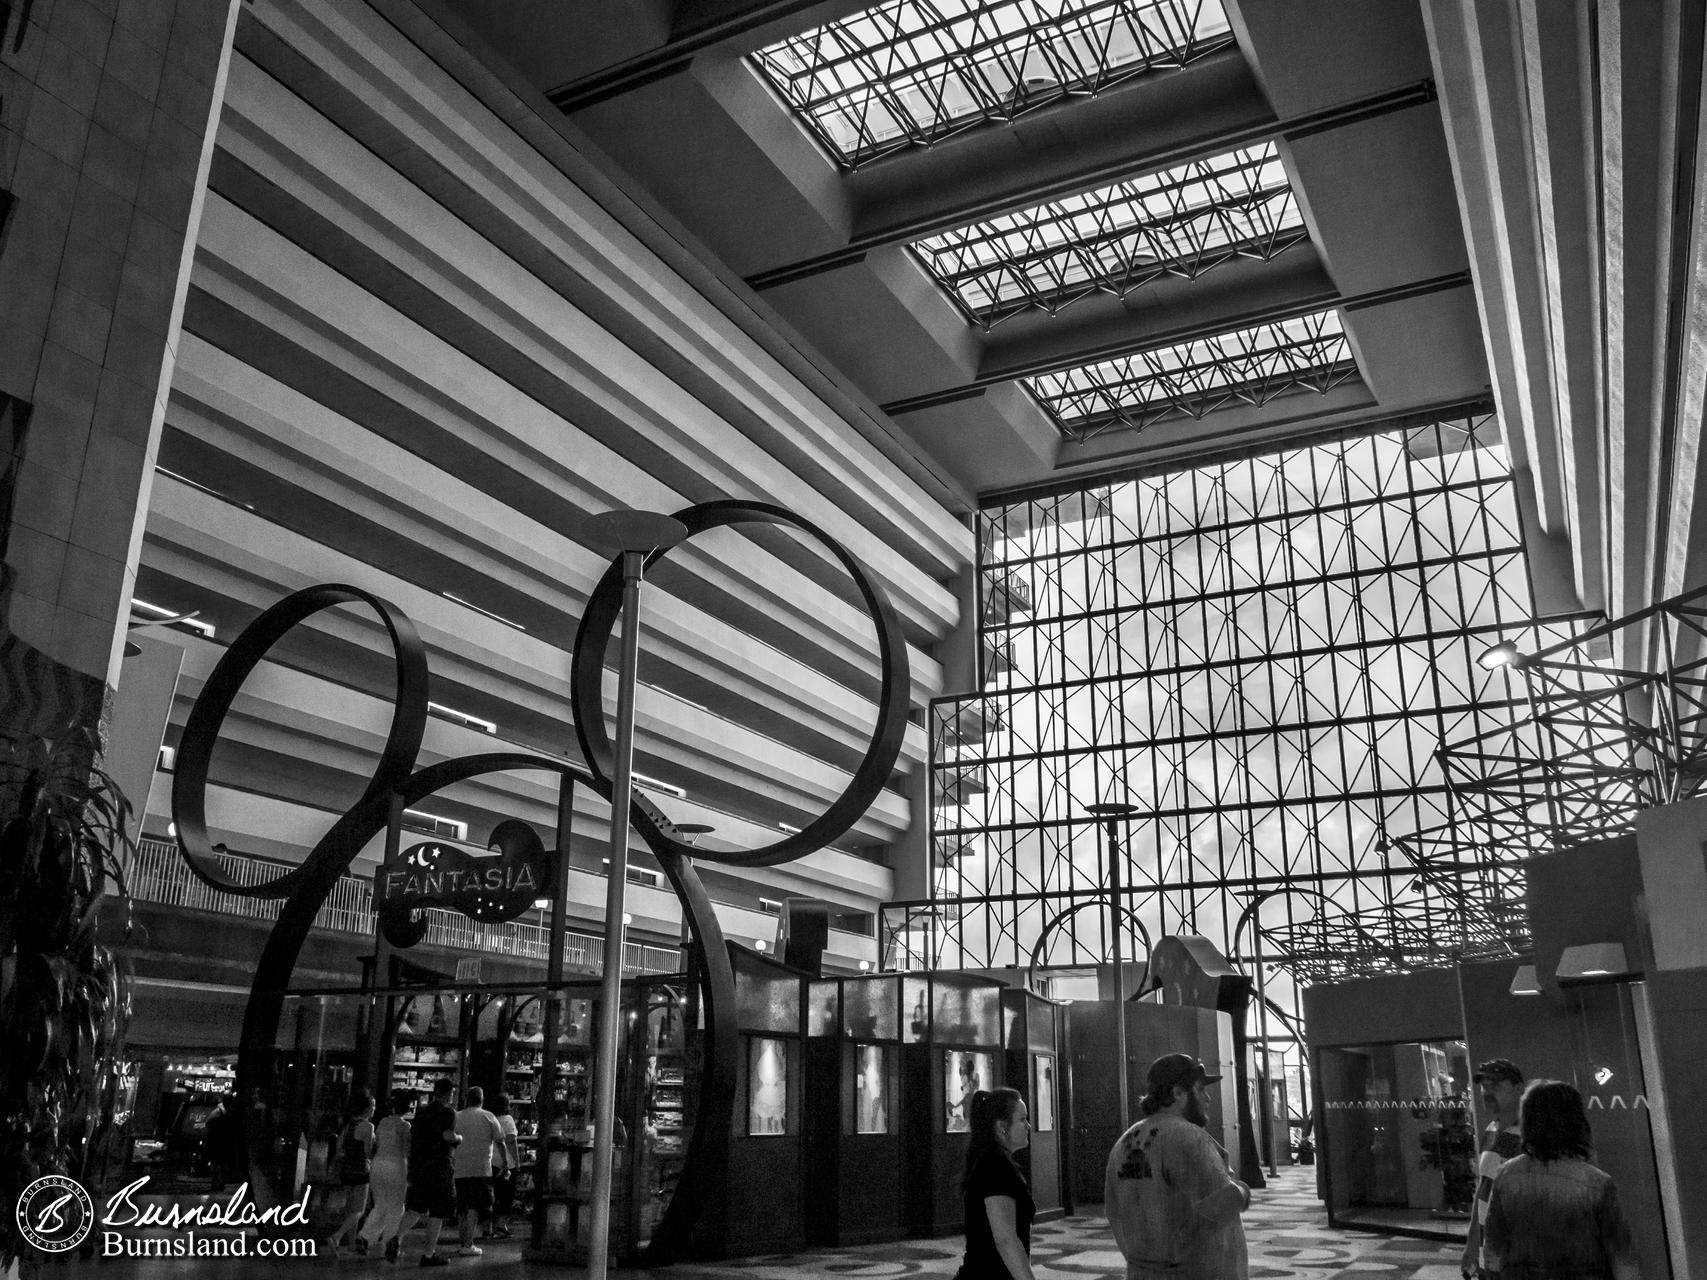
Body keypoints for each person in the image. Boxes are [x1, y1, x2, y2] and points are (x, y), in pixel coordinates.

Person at [1105, 1053, 1250, 1280]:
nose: (1207, 1098)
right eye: (1200, 1089)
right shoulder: (1189, 1137)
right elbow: (1221, 1203)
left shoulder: (1124, 1143)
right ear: (1178, 1093)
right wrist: (1241, 1191)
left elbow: (1114, 1214)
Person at [1483, 1081, 1639, 1280]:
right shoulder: (1597, 1184)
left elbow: (1493, 1254)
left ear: (1528, 1122)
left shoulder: (1506, 1176)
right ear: (1575, 1121)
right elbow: (1623, 1260)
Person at [953, 1087, 1035, 1280]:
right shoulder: (995, 1167)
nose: (1028, 1126)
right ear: (1002, 1127)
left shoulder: (994, 1163)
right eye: (1022, 1119)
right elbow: (1005, 1239)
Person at [1463, 1058, 1525, 1280]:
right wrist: (1472, 1245)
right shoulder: (1492, 1129)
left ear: (1519, 1089)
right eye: (1484, 1087)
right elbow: (1483, 1190)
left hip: (1517, 1257)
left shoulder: (1530, 1136)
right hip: (1489, 1254)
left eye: (1496, 1086)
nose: (1487, 1093)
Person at [400, 1079, 460, 1267]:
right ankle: (428, 1254)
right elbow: (447, 1136)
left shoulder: (423, 1111)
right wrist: (459, 1138)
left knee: (416, 1206)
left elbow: (413, 1138)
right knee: (438, 1211)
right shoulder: (448, 1112)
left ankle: (396, 1238)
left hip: (421, 1166)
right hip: (440, 1166)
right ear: (449, 1093)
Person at [360, 1090, 414, 1263]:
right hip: (396, 1165)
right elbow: (406, 1150)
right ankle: (389, 1245)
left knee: (380, 1204)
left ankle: (365, 1237)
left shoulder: (383, 1122)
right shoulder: (405, 1126)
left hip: (378, 1164)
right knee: (396, 1207)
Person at [452, 1086, 505, 1257]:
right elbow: (500, 1141)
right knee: (474, 1206)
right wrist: (505, 1163)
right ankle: (468, 1244)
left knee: (461, 1207)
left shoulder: (457, 1116)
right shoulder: (488, 1117)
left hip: (459, 1168)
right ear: (482, 1100)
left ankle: (462, 1241)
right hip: (481, 1168)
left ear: (467, 1099)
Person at [329, 1089, 376, 1256]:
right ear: (368, 1108)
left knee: (350, 1209)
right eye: (373, 1106)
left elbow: (339, 1147)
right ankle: (337, 1235)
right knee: (360, 1210)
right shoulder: (367, 1126)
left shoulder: (348, 1125)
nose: (374, 1109)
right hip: (361, 1169)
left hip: (346, 1170)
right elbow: (367, 1151)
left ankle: (351, 1244)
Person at [485, 1093, 521, 1239]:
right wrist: (517, 1161)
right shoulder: (508, 1120)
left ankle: (488, 1227)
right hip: (505, 1163)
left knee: (492, 1195)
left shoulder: (491, 1119)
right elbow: (511, 1142)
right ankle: (501, 1225)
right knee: (507, 1195)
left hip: (491, 1161)